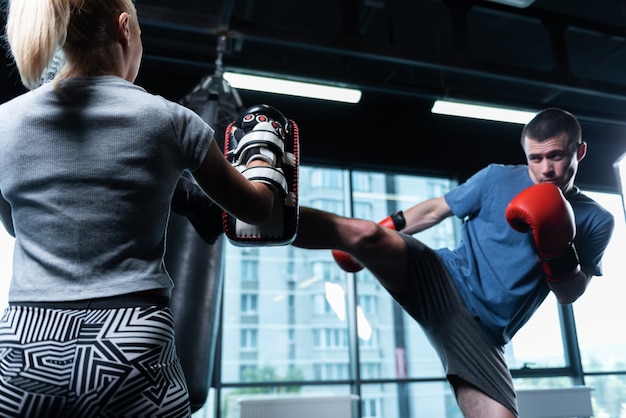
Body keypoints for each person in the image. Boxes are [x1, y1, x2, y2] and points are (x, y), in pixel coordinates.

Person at [0, 0, 295, 416]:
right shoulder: (169, 119)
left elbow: (15, 226)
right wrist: (262, 154)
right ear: (125, 28)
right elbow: (257, 209)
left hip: (25, 345)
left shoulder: (4, 122)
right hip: (127, 340)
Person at [292, 108, 614, 417]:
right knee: (364, 233)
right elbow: (435, 209)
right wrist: (384, 229)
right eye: (535, 158)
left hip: (484, 334)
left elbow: (569, 294)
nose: (545, 169)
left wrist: (557, 246)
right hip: (444, 279)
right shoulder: (495, 178)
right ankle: (272, 216)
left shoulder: (596, 220)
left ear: (579, 151)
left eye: (556, 156)